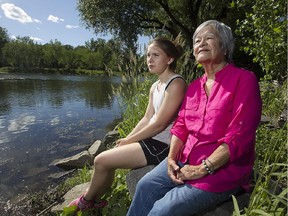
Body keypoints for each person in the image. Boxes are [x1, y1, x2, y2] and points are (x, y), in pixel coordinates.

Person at [127, 20, 262, 216]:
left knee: (162, 210)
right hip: (183, 158)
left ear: (224, 47)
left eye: (209, 38)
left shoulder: (244, 80)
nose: (201, 43)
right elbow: (180, 126)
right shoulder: (193, 87)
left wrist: (202, 169)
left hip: (221, 170)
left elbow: (239, 136)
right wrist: (172, 157)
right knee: (144, 186)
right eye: (197, 40)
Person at [68, 37, 187, 211]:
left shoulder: (176, 83)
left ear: (169, 59)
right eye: (147, 55)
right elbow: (147, 118)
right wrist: (127, 137)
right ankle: (98, 199)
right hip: (150, 140)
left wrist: (129, 141)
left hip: (162, 145)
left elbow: (159, 125)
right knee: (107, 159)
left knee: (101, 160)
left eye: (155, 55)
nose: (149, 60)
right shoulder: (155, 86)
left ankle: (86, 201)